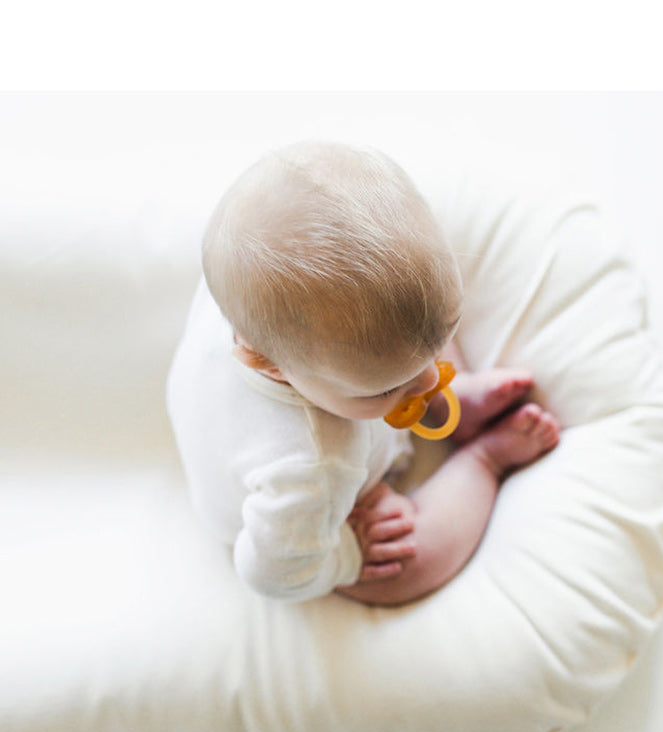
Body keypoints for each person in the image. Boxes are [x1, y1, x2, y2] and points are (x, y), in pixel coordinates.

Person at [166, 140, 560, 606]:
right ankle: (483, 461)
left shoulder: (245, 288)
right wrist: (349, 555)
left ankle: (452, 398)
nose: (431, 380)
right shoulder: (313, 467)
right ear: (270, 366)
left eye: (444, 342)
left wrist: (399, 373)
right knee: (406, 565)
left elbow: (396, 346)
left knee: (409, 321)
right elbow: (271, 574)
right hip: (298, 516)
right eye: (388, 390)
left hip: (276, 409)